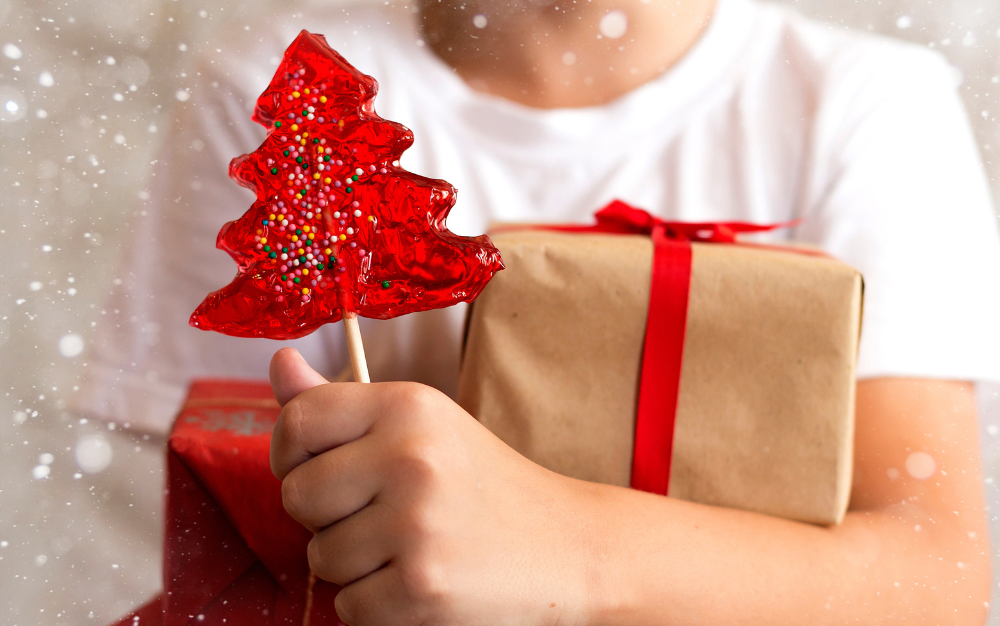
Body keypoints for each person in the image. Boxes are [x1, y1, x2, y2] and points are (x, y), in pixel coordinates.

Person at [75, 0, 1000, 623]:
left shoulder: (862, 106)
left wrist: (568, 544)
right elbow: (230, 540)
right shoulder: (265, 85)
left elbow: (939, 581)